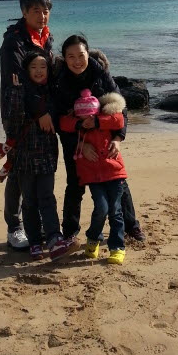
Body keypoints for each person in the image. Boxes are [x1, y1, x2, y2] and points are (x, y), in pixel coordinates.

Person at [54, 34, 145, 244]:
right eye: (71, 56)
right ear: (64, 58)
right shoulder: (60, 82)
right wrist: (81, 145)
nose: (77, 61)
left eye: (81, 55)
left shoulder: (102, 75)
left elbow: (121, 109)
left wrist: (118, 138)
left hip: (105, 140)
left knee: (118, 183)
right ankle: (70, 231)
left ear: (88, 54)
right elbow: (60, 123)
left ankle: (132, 226)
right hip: (75, 144)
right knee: (75, 185)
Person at [1, 51, 78, 262]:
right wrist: (17, 92)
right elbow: (13, 123)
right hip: (24, 159)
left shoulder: (52, 91)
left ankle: (54, 239)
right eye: (33, 67)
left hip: (46, 157)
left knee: (47, 198)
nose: (38, 71)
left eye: (43, 67)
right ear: (26, 70)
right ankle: (35, 241)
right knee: (29, 201)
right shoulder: (17, 91)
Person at [0, 0, 54, 251]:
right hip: (18, 112)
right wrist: (40, 112)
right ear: (24, 12)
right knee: (18, 169)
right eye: (36, 11)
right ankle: (14, 226)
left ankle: (35, 222)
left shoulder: (46, 37)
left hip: (43, 112)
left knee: (39, 166)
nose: (42, 16)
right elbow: (17, 83)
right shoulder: (14, 41)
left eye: (46, 11)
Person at [59, 88, 128, 264]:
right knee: (101, 209)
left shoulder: (105, 120)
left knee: (116, 211)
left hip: (114, 173)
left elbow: (119, 119)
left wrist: (97, 121)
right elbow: (63, 123)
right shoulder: (79, 130)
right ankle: (93, 238)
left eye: (91, 115)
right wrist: (80, 124)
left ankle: (117, 247)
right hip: (93, 178)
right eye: (84, 116)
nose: (87, 119)